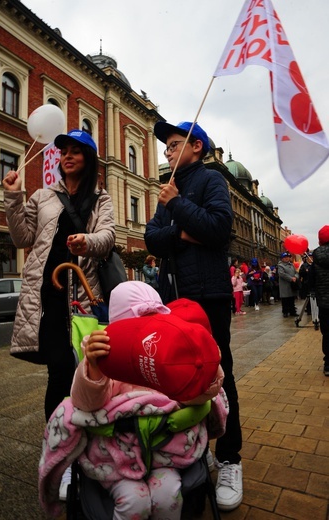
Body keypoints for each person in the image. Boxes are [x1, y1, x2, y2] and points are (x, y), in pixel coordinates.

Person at [39, 281, 227, 519]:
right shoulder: (105, 352)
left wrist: (208, 371)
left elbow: (194, 395)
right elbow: (86, 404)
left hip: (165, 451)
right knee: (133, 501)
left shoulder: (167, 353)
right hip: (119, 458)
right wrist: (93, 368)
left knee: (168, 495)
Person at [144, 120, 243, 511]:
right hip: (172, 296)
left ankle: (231, 458)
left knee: (219, 374)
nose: (167, 151)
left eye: (173, 144)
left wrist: (177, 208)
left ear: (196, 146)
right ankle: (190, 455)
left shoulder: (211, 180)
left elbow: (219, 229)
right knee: (179, 378)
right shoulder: (167, 190)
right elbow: (152, 239)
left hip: (209, 295)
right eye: (165, 146)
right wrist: (183, 231)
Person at [2, 129, 116, 423]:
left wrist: (87, 242)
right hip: (49, 296)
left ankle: (86, 442)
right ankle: (59, 445)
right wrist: (13, 197)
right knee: (58, 371)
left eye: (75, 151)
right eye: (64, 151)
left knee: (85, 369)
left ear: (88, 158)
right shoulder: (43, 195)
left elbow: (107, 237)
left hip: (84, 298)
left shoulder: (101, 199)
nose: (67, 156)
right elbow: (22, 238)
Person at [312, 225, 329, 376]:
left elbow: (311, 280)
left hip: (324, 302)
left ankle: (328, 364)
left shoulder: (315, 257)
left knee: (327, 333)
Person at [277, 252, 299, 317]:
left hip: (292, 285)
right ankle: (285, 312)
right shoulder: (280, 265)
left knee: (292, 299)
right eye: (285, 257)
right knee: (285, 299)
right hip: (285, 285)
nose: (286, 258)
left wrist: (295, 277)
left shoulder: (292, 265)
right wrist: (291, 278)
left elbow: (296, 272)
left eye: (288, 257)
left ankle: (292, 311)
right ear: (282, 259)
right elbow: (282, 274)